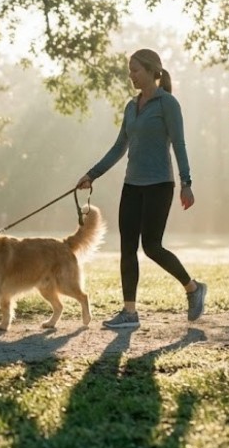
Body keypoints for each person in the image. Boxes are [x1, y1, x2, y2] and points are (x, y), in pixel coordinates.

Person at [76, 48, 207, 329]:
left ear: (150, 71)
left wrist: (186, 182)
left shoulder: (167, 104)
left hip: (159, 184)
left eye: (135, 70)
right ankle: (130, 312)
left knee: (151, 246)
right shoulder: (131, 106)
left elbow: (179, 144)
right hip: (132, 185)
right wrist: (92, 174)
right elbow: (119, 147)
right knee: (127, 248)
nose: (131, 76)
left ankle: (194, 289)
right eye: (130, 71)